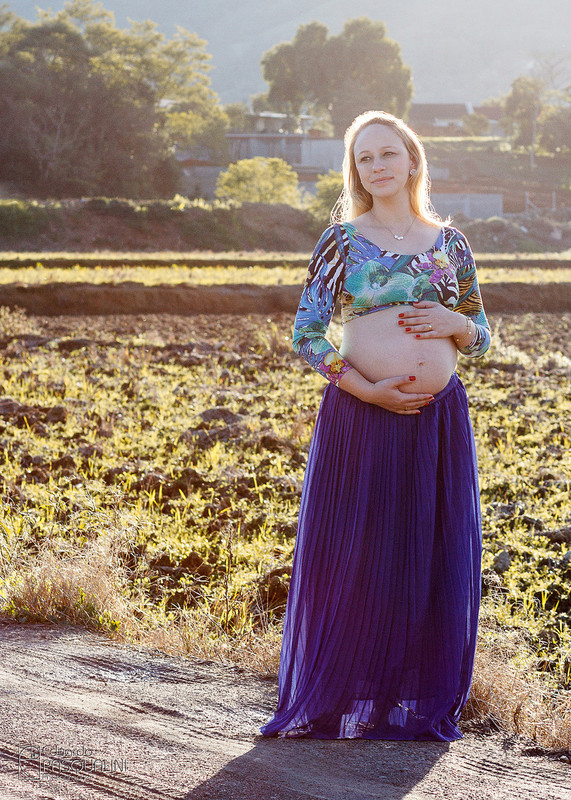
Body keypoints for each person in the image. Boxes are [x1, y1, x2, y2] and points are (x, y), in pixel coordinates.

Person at [259, 110, 491, 741]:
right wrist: (367, 390)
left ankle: (410, 701)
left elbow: (483, 335)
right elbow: (307, 336)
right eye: (364, 158)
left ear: (412, 160)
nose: (376, 166)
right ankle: (340, 696)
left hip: (438, 425)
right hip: (363, 416)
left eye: (388, 153)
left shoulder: (451, 243)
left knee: (430, 554)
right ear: (355, 171)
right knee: (362, 554)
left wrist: (457, 327)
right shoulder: (339, 242)